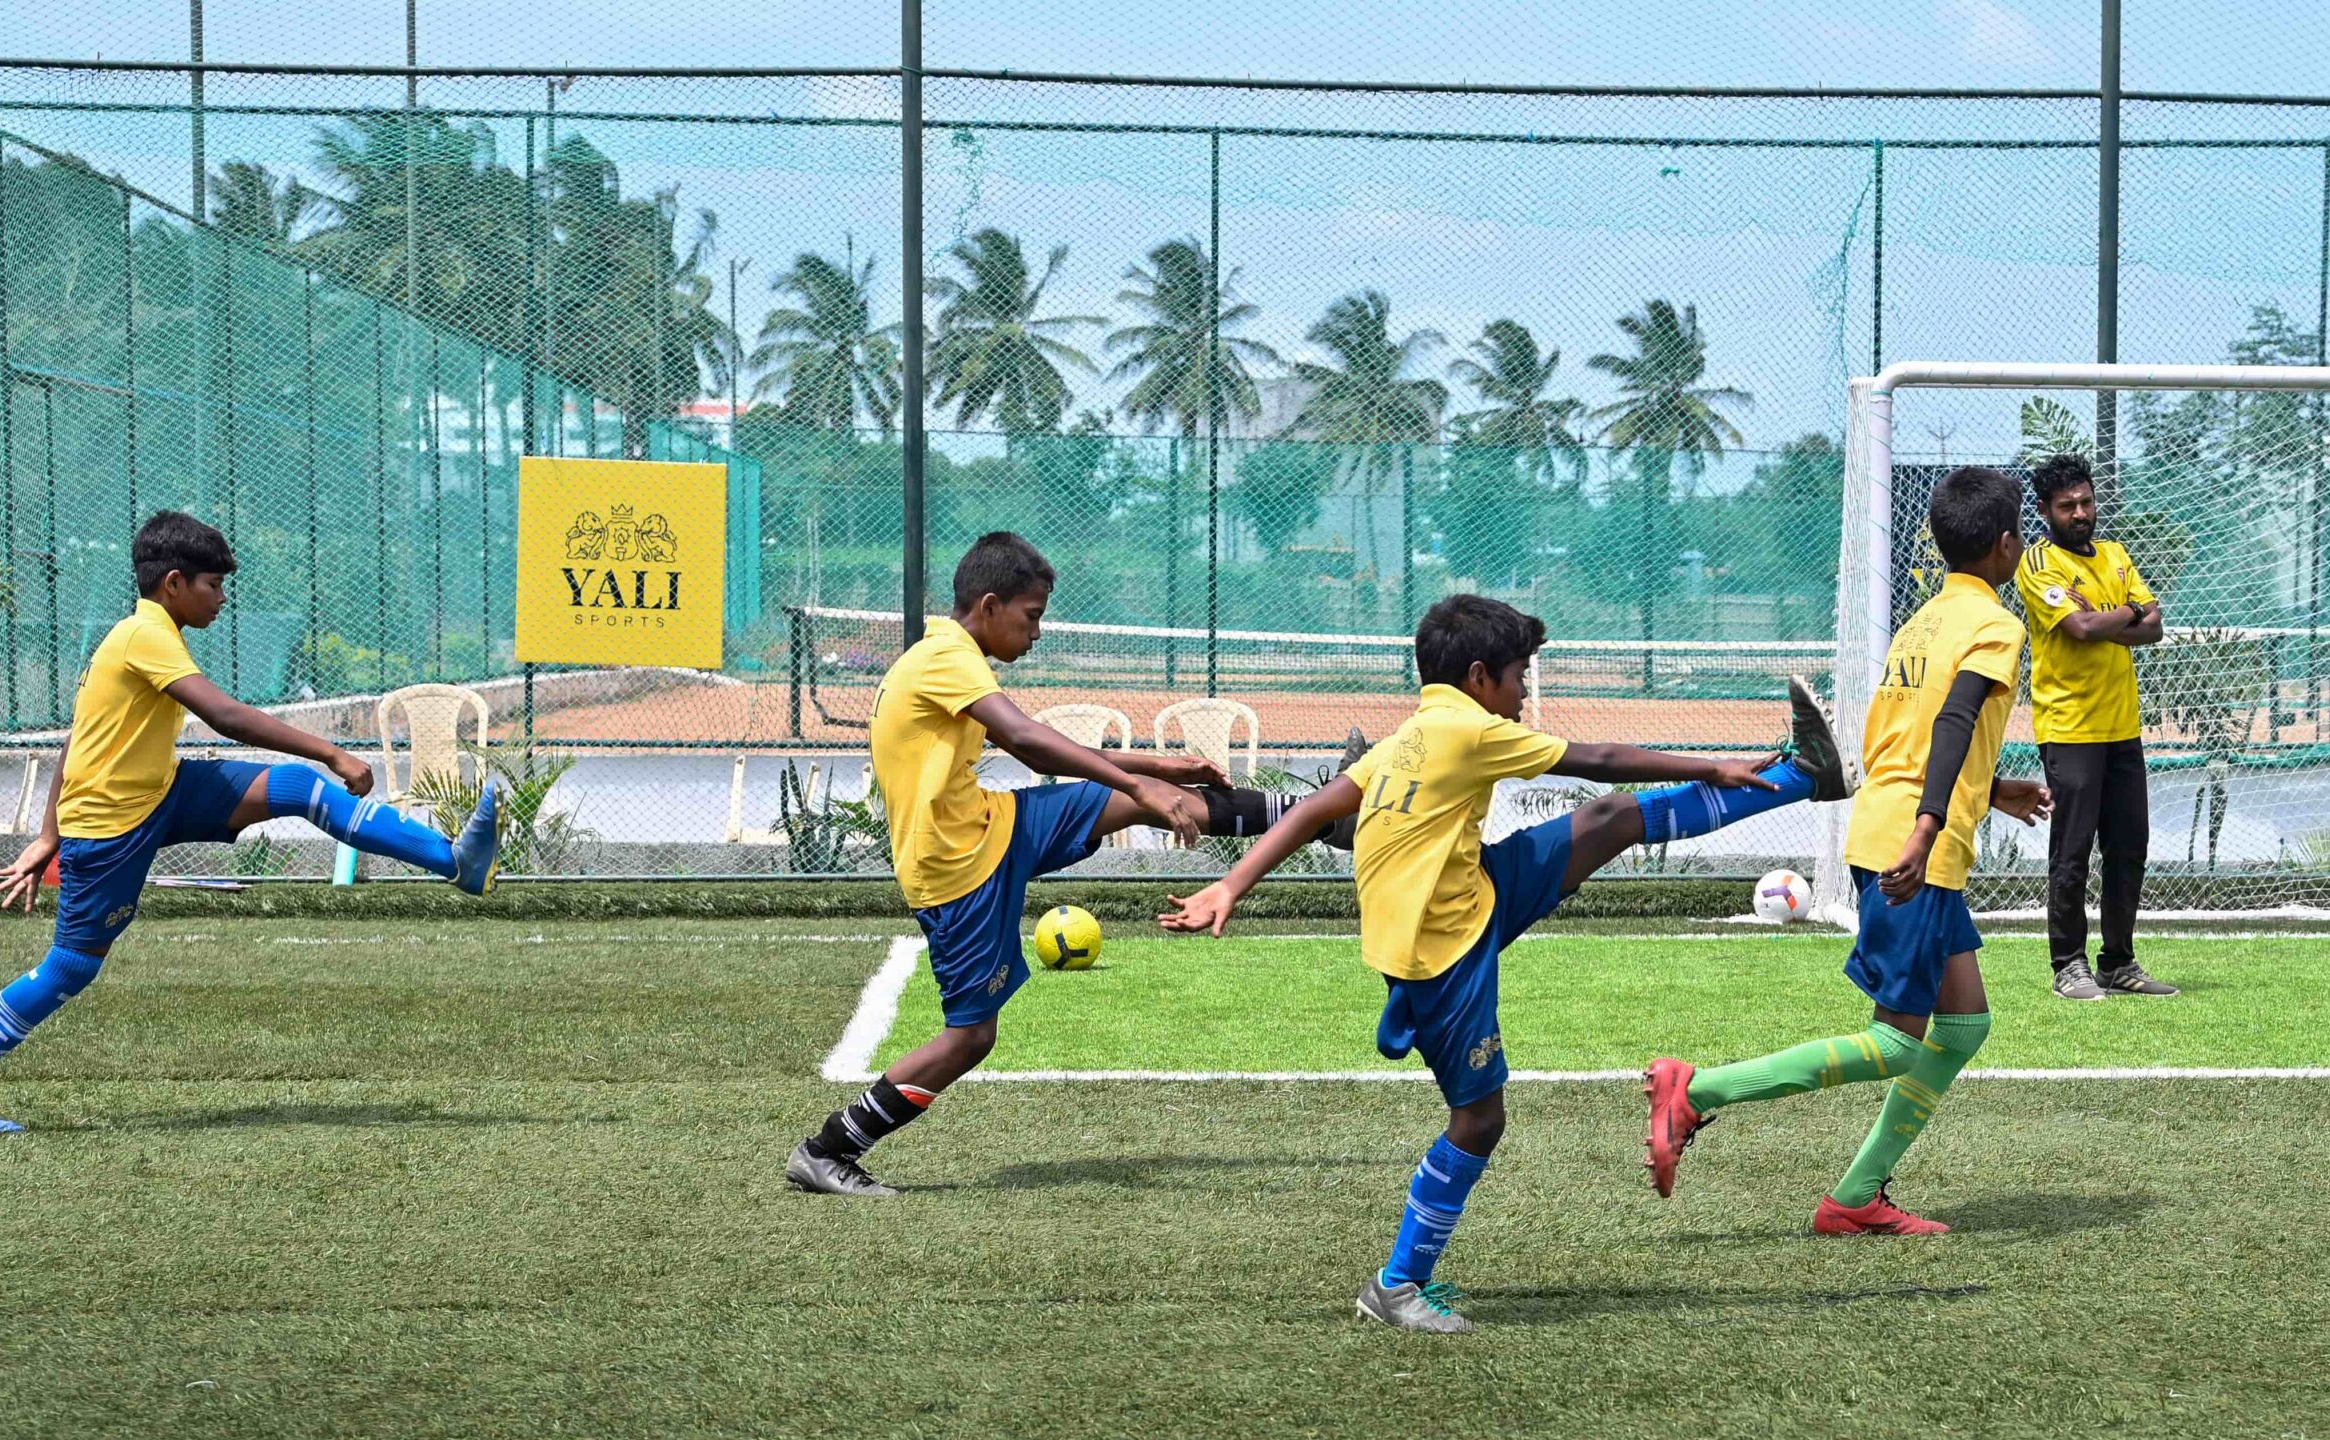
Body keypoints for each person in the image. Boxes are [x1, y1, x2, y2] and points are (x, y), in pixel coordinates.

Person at [1158, 592, 1849, 1333]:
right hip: (1442, 953)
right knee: (1480, 1119)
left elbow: (1314, 807)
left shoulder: (1411, 735)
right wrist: (1712, 763)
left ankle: (1807, 776)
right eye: (1522, 678)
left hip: (1474, 891)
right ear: (1481, 675)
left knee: (1609, 818)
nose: (1526, 696)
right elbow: (1602, 757)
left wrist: (1232, 883)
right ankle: (1397, 1286)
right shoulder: (1468, 731)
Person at [785, 531, 1345, 1198]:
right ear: (989, 605)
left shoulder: (950, 658)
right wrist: (1146, 785)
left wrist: (1154, 769)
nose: (1038, 631)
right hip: (958, 869)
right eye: (1032, 615)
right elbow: (1029, 739)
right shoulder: (945, 659)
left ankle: (1330, 815)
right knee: (970, 1038)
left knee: (1129, 801)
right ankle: (830, 1148)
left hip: (994, 824)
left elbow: (1033, 747)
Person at [0, 511, 501, 1135]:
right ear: (172, 583)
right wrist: (331, 750)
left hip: (163, 789)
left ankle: (457, 863)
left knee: (297, 789)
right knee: (71, 966)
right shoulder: (144, 636)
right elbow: (224, 715)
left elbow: (79, 736)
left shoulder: (143, 633)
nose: (221, 598)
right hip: (111, 825)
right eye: (213, 585)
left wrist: (45, 833)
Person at [1640, 467, 2053, 1234]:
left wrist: (1992, 791)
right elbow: (1956, 719)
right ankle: (1697, 1091)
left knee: (1963, 1025)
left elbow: (1906, 735)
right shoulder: (1996, 626)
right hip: (1915, 846)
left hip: (1896, 830)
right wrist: (1929, 828)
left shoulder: (1920, 624)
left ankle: (1857, 1196)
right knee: (1897, 1041)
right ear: (2006, 545)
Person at [2019, 452, 2177, 1000]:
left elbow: (2154, 627)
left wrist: (2124, 616)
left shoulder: (2113, 554)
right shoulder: (2039, 564)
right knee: (2073, 849)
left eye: (2086, 502)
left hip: (2121, 726)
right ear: (2045, 510)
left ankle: (2118, 962)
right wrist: (2128, 612)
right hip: (2070, 726)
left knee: (2129, 844)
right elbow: (2081, 627)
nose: (2081, 513)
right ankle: (2068, 964)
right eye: (2068, 506)